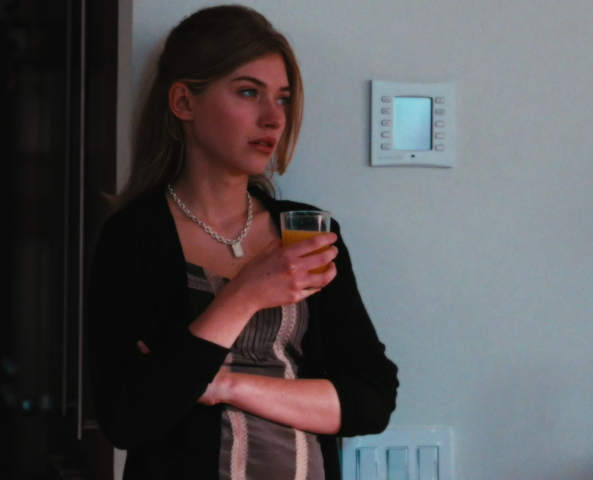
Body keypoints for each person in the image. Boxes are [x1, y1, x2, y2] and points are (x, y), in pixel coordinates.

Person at [86, 5, 399, 480]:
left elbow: (371, 400)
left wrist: (224, 385)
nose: (273, 118)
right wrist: (245, 294)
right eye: (249, 92)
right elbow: (127, 416)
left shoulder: (309, 230)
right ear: (184, 103)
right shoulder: (133, 238)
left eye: (283, 99)